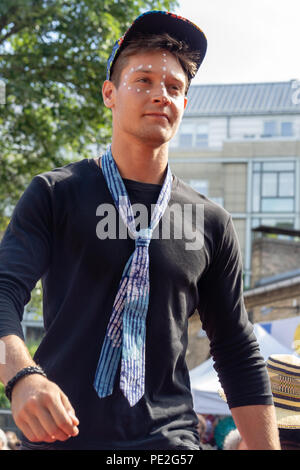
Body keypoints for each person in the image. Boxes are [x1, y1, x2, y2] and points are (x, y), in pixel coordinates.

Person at [0, 10, 280, 450]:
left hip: (169, 443)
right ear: (110, 93)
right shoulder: (57, 195)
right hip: (59, 435)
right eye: (143, 80)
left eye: (174, 87)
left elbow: (236, 348)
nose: (160, 95)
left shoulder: (211, 222)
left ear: (185, 104)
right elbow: (3, 291)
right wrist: (21, 375)